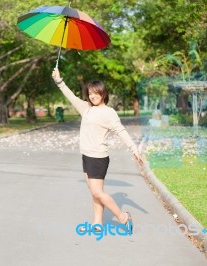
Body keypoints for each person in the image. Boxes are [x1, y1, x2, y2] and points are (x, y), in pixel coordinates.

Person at [52, 68, 144, 235]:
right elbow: (71, 96)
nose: (93, 96)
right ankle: (98, 221)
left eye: (96, 93)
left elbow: (121, 131)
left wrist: (134, 149)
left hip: (98, 157)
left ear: (103, 93)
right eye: (90, 93)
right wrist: (59, 81)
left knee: (97, 192)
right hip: (86, 156)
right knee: (94, 192)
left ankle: (123, 217)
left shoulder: (109, 113)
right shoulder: (86, 108)